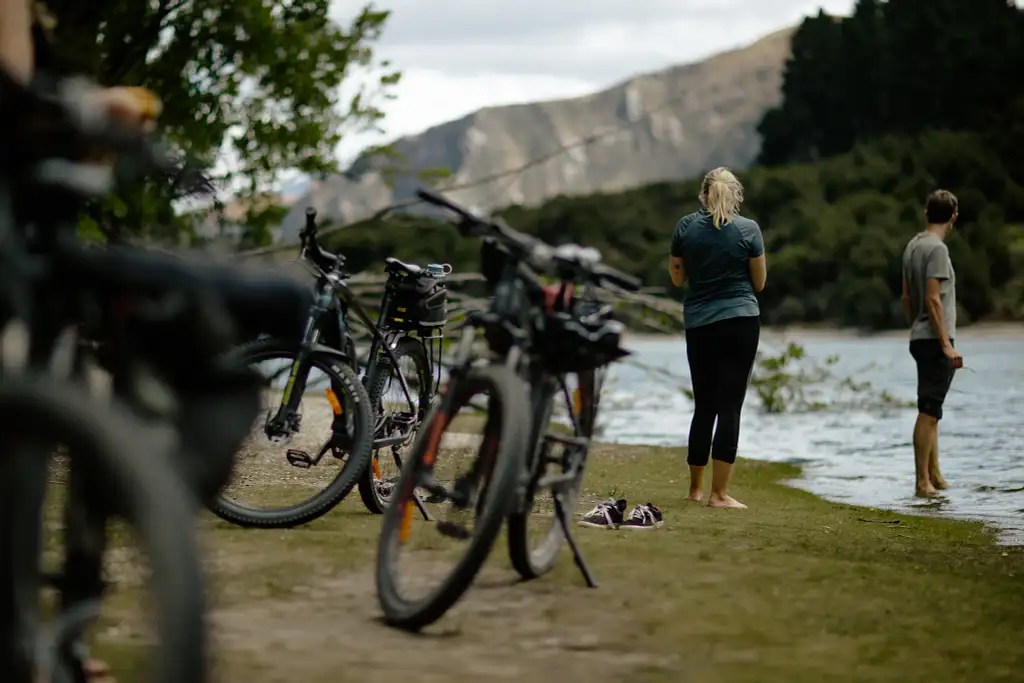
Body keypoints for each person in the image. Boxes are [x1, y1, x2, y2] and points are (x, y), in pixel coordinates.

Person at [669, 167, 766, 509]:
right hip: (741, 321)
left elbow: (678, 278)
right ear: (735, 194)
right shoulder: (748, 230)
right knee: (730, 408)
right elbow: (760, 283)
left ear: (703, 194)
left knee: (704, 405)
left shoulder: (684, 227)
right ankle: (719, 495)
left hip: (699, 324)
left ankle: (695, 490)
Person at [900, 189, 962, 497]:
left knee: (932, 409)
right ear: (953, 216)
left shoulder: (913, 246)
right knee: (928, 410)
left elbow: (906, 298)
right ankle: (922, 482)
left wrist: (916, 326)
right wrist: (945, 344)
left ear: (926, 212)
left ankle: (934, 475)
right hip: (934, 339)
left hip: (919, 336)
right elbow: (933, 300)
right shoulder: (937, 250)